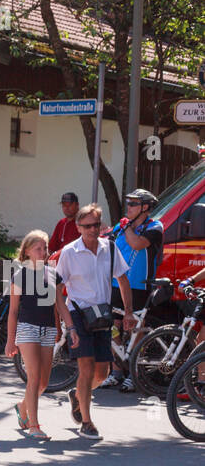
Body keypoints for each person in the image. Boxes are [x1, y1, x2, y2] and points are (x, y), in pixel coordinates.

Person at [55, 203, 133, 441]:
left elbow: (122, 279)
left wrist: (128, 312)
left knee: (102, 372)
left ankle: (78, 395)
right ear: (78, 227)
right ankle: (87, 423)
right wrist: (63, 323)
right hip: (78, 314)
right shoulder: (69, 252)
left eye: (96, 224)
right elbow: (57, 289)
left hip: (102, 315)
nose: (92, 229)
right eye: (87, 225)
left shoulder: (109, 248)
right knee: (86, 368)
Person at [4, 231, 68, 440]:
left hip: (48, 329)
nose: (43, 252)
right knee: (33, 378)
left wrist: (60, 326)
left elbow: (57, 304)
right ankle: (34, 426)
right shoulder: (19, 275)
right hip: (27, 329)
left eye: (45, 248)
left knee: (43, 383)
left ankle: (23, 409)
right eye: (38, 249)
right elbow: (13, 311)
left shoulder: (53, 274)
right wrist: (10, 340)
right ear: (27, 251)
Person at [100, 188, 163, 392]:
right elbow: (107, 241)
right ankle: (117, 372)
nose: (129, 207)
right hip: (115, 284)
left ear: (145, 207)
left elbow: (137, 244)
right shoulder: (122, 225)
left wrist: (126, 226)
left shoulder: (155, 227)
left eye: (133, 204)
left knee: (135, 327)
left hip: (139, 285)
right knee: (111, 325)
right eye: (128, 203)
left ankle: (133, 375)